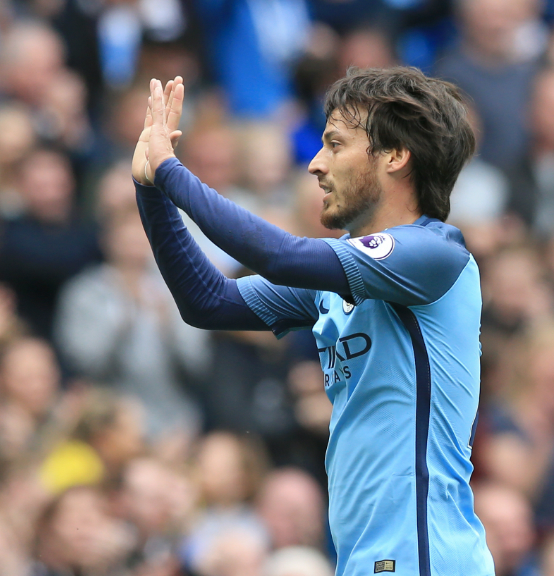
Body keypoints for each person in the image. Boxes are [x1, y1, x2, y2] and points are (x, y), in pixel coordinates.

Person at [133, 67, 493, 575]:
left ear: (395, 155)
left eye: (336, 144)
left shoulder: (434, 254)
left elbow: (280, 255)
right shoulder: (340, 278)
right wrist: (149, 189)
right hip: (369, 560)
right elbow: (207, 301)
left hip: (423, 557)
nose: (315, 164)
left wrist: (171, 169)